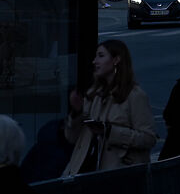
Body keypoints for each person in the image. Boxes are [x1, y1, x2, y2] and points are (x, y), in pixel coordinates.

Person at [62, 39, 158, 175]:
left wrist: (110, 131)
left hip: (119, 172)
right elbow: (72, 138)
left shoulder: (134, 95)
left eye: (101, 56)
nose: (95, 61)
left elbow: (148, 138)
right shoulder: (93, 94)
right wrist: (76, 113)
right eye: (96, 56)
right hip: (87, 169)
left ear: (116, 60)